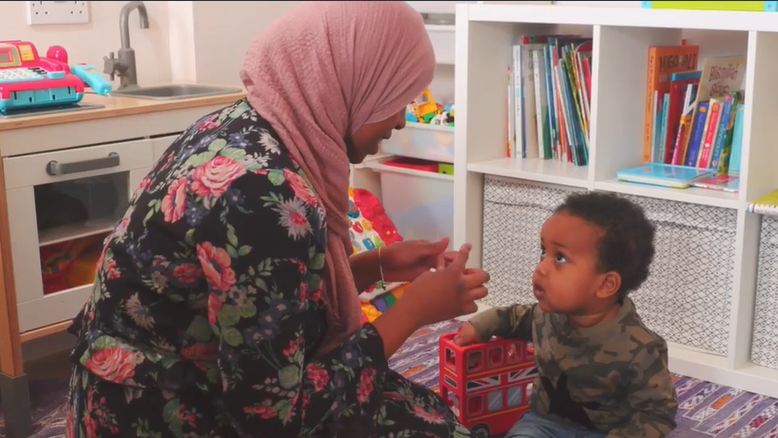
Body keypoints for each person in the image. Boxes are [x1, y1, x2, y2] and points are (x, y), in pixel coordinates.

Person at [64, 2, 490, 437]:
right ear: (352, 79)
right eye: (396, 99)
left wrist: (375, 265)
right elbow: (271, 417)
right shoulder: (262, 191)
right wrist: (414, 310)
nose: (400, 120)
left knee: (419, 408)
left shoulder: (239, 125)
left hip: (156, 386)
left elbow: (266, 307)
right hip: (157, 410)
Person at [454, 192, 678, 438]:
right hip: (543, 422)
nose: (541, 267)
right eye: (543, 252)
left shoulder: (641, 347)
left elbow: (658, 413)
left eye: (560, 258)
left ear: (605, 285)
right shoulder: (544, 315)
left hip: (607, 432)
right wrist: (480, 325)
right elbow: (512, 317)